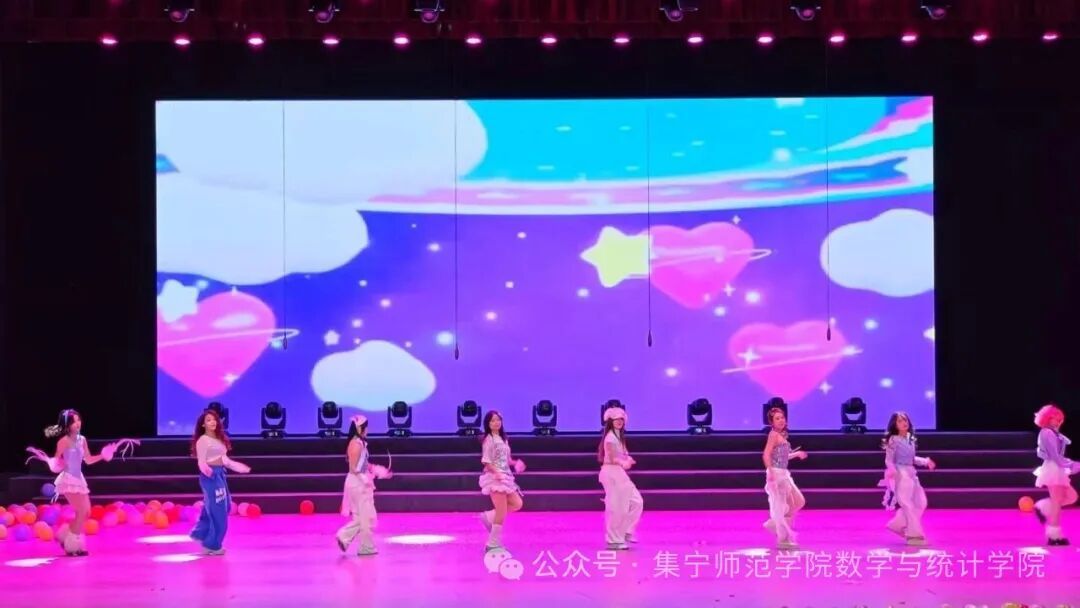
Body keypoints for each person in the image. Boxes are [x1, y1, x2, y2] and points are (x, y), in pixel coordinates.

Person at [190, 408, 250, 555]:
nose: (212, 422)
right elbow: (201, 461)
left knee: (224, 506)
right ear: (203, 424)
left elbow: (225, 461)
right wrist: (206, 470)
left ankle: (202, 534)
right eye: (208, 420)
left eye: (214, 419)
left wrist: (240, 468)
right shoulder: (203, 440)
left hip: (220, 475)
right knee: (218, 510)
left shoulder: (218, 440)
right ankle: (212, 545)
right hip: (210, 476)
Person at [335, 415, 391, 556]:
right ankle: (360, 544)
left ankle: (354, 541)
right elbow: (354, 468)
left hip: (359, 482)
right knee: (367, 517)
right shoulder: (355, 444)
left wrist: (378, 470)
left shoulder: (359, 443)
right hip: (357, 484)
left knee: (364, 517)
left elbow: (364, 464)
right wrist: (365, 479)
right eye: (366, 427)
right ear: (360, 428)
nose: (368, 430)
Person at [879, 411, 936, 546]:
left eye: (905, 420)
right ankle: (914, 535)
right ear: (895, 425)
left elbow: (911, 458)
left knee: (921, 502)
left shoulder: (910, 438)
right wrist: (892, 471)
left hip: (911, 472)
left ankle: (897, 524)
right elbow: (889, 460)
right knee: (907, 504)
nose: (904, 423)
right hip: (900, 473)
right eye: (899, 421)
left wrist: (925, 461)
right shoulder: (893, 439)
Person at [478, 411, 526, 552]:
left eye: (498, 420)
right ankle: (492, 544)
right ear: (488, 423)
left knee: (517, 503)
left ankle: (489, 516)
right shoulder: (488, 440)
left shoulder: (504, 439)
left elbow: (506, 460)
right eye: (493, 420)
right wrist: (496, 473)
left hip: (505, 477)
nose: (496, 422)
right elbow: (486, 462)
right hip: (494, 478)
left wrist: (516, 463)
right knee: (501, 510)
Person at [597, 406, 643, 550]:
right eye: (616, 419)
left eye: (621, 420)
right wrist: (624, 463)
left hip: (619, 473)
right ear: (610, 421)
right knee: (617, 507)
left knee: (636, 501)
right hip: (612, 473)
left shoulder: (618, 437)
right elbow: (611, 458)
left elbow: (622, 455)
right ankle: (614, 539)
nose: (619, 422)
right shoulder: (610, 438)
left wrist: (627, 459)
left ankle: (626, 531)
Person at [1032, 404, 1078, 546]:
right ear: (1047, 418)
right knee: (1057, 502)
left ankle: (1042, 506)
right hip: (1054, 467)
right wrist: (1071, 464)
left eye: (1059, 419)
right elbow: (1055, 456)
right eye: (1054, 418)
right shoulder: (1047, 433)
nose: (1058, 421)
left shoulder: (1050, 433)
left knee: (1071, 496)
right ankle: (1054, 535)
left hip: (1056, 466)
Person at [762, 407, 807, 549]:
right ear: (772, 422)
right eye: (777, 418)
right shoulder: (773, 435)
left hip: (783, 473)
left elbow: (782, 457)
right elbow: (766, 455)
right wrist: (771, 473)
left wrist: (797, 454)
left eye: (782, 417)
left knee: (798, 502)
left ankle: (775, 524)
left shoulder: (781, 435)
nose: (781, 420)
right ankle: (783, 539)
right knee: (782, 506)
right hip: (776, 474)